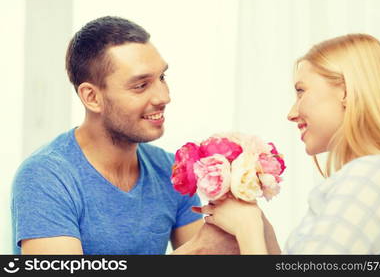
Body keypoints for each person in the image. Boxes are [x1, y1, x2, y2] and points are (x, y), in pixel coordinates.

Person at [11, 16, 232, 255]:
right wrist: (197, 249)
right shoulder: (46, 177)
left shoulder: (169, 170)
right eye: (140, 86)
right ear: (92, 97)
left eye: (162, 78)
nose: (163, 97)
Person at [200, 33, 380, 254]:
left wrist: (248, 229)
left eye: (301, 91)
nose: (291, 114)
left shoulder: (373, 175)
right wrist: (263, 231)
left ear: (346, 91)